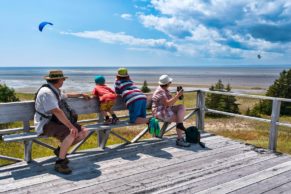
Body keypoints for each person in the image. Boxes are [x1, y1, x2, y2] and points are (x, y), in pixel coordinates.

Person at [34, 70, 90, 174]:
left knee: (84, 131)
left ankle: (60, 151)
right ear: (59, 80)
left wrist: (81, 94)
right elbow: (56, 111)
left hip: (56, 121)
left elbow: (67, 95)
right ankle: (60, 162)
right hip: (45, 123)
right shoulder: (47, 93)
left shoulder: (55, 90)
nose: (63, 81)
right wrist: (70, 126)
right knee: (71, 133)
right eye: (63, 79)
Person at [151, 75, 190, 147]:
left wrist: (177, 95)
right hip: (159, 111)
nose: (171, 83)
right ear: (168, 83)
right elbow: (167, 103)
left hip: (166, 108)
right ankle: (180, 139)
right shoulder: (160, 91)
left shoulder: (165, 90)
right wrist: (177, 96)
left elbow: (170, 103)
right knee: (179, 118)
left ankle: (180, 125)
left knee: (182, 107)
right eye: (170, 82)